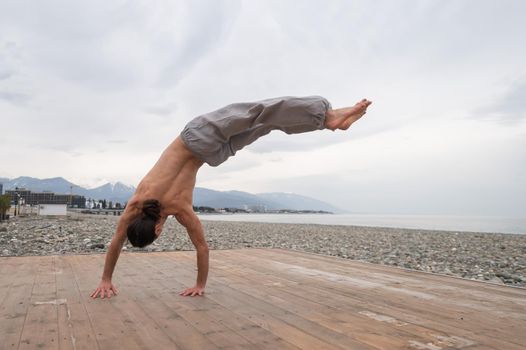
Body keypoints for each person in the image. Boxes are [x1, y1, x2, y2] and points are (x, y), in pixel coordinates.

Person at [90, 95, 372, 299]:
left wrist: (200, 285)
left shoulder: (181, 209)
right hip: (197, 137)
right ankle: (327, 117)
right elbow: (117, 240)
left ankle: (328, 120)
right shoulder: (138, 201)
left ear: (159, 229)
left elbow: (202, 248)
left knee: (265, 122)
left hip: (212, 154)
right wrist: (105, 278)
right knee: (261, 113)